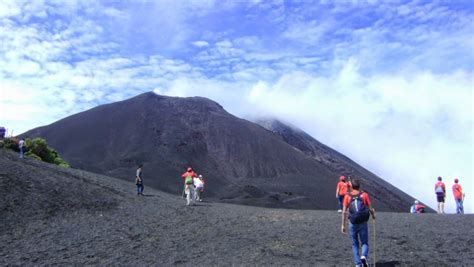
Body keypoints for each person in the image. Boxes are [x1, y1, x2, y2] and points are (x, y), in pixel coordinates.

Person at [341, 179, 376, 267]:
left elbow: (344, 211)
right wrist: (373, 216)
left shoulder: (347, 196)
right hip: (363, 222)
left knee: (354, 244)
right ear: (359, 186)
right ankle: (363, 256)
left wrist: (343, 225)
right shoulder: (364, 195)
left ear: (352, 187)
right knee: (364, 242)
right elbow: (370, 208)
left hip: (352, 222)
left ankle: (358, 264)